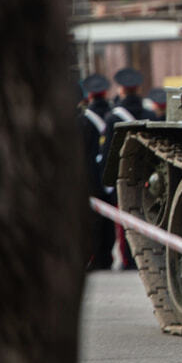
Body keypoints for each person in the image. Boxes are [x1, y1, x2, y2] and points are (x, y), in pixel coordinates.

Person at [103, 67, 154, 269]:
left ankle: (128, 260)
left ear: (122, 90)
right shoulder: (150, 114)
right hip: (149, 174)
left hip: (122, 175)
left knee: (125, 221)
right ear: (138, 88)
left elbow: (108, 152)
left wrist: (106, 181)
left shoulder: (113, 118)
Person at [79, 74, 114, 270]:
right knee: (110, 219)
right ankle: (107, 256)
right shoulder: (113, 114)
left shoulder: (83, 119)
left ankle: (95, 258)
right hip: (109, 175)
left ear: (89, 95)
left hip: (90, 177)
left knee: (93, 220)